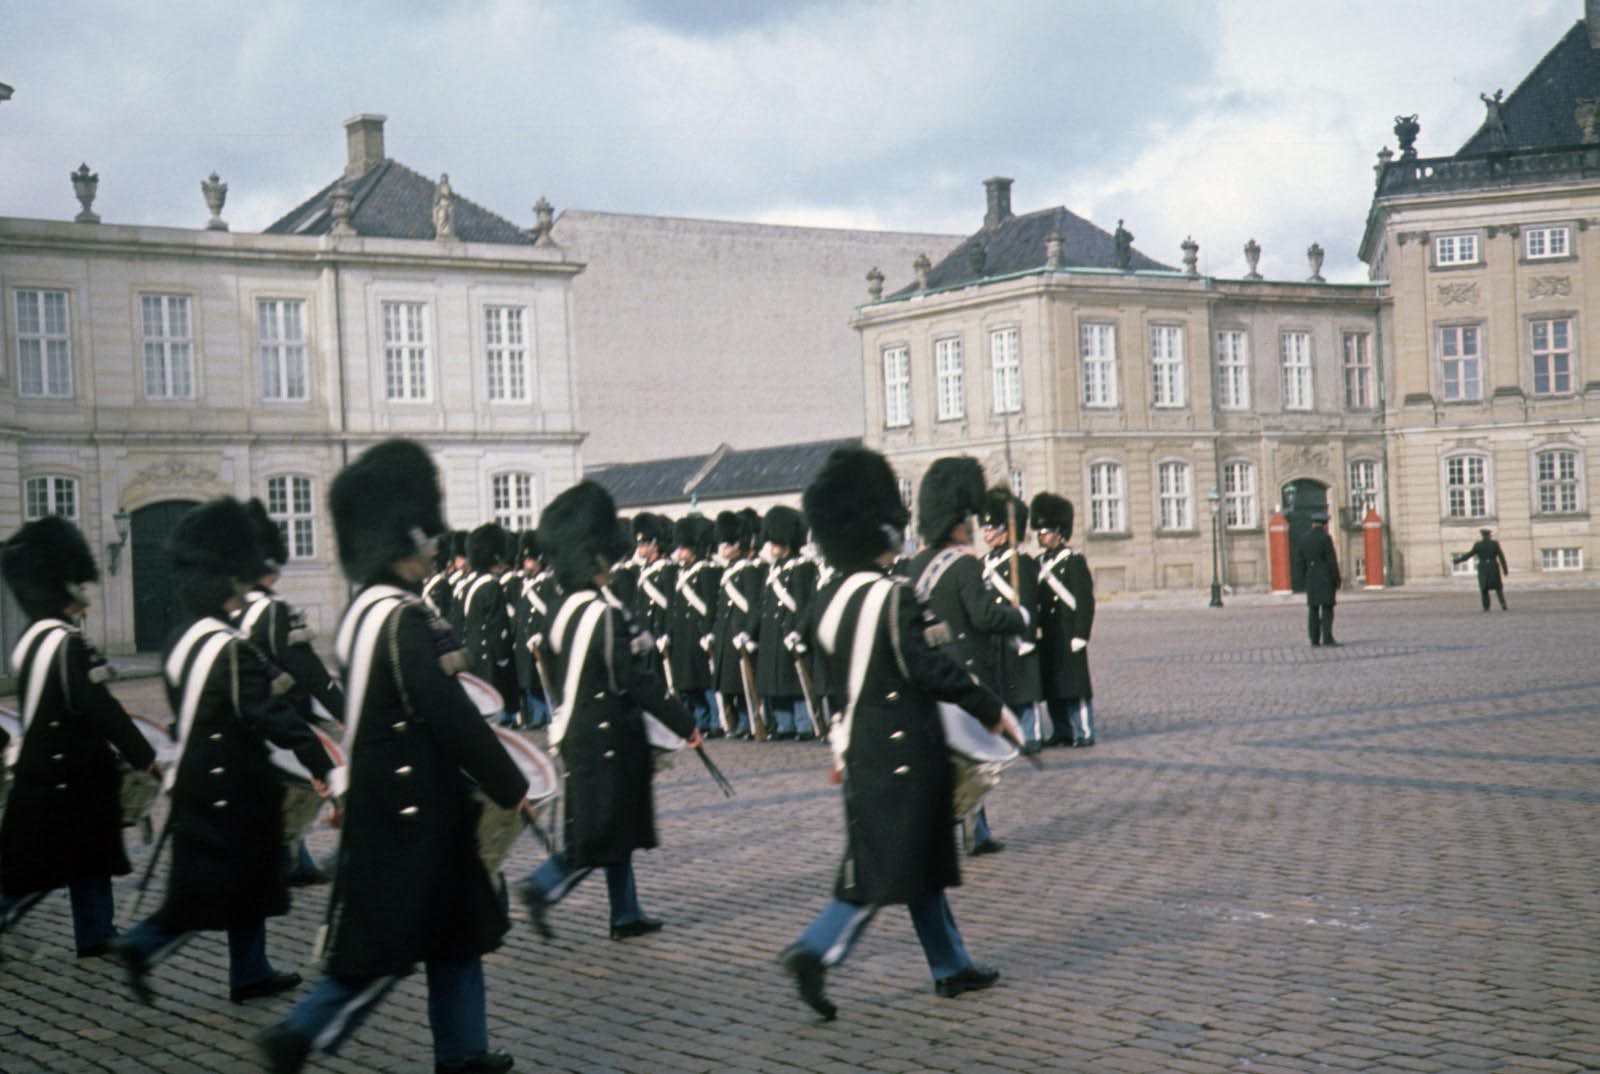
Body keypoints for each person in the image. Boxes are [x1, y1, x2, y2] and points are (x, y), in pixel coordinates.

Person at [257, 439, 529, 1074]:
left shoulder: (362, 611)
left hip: (396, 794)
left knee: (453, 930)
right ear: (404, 539)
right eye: (426, 537)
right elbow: (446, 708)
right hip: (414, 805)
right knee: (390, 943)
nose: (434, 546)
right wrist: (508, 779)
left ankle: (463, 1051)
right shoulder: (403, 617)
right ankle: (298, 1032)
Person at [779, 446, 1017, 1020]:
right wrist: (990, 709)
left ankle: (950, 965)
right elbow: (932, 669)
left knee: (920, 865)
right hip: (906, 752)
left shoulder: (825, 600)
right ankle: (815, 950)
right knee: (881, 868)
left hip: (859, 748)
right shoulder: (894, 596)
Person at [112, 497, 334, 1006]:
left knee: (237, 880)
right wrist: (322, 762)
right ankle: (144, 944)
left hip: (198, 776)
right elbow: (269, 715)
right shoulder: (229, 647)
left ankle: (250, 971)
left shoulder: (180, 639)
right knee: (219, 885)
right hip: (233, 782)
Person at [513, 483, 700, 943]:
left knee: (614, 827)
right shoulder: (605, 614)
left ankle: (626, 913)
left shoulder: (560, 610)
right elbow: (634, 679)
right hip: (609, 735)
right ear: (595, 558)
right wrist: (684, 723)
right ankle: (542, 886)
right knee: (598, 833)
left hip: (579, 730)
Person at [0, 517, 159, 958]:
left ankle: (97, 932)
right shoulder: (70, 643)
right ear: (62, 588)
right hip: (72, 771)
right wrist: (143, 754)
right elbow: (98, 705)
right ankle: (95, 930)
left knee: (81, 856)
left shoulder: (31, 639)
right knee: (45, 866)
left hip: (45, 768)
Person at [906, 458, 1029, 854]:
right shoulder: (964, 566)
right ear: (956, 524)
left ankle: (959, 831)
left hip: (928, 670)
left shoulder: (914, 565)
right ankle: (973, 832)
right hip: (965, 670)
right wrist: (1019, 617)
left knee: (942, 756)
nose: (971, 527)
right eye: (966, 521)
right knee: (975, 758)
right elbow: (983, 616)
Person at [239, 499, 345, 886]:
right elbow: (310, 672)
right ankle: (287, 860)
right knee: (297, 785)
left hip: (246, 718)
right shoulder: (274, 611)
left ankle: (297, 859)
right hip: (281, 715)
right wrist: (344, 710)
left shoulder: (229, 611)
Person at [978, 487, 1046, 752]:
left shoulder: (1021, 562)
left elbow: (1028, 602)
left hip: (1018, 636)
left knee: (1024, 690)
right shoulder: (984, 563)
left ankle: (1030, 736)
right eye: (985, 529)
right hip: (996, 636)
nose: (986, 534)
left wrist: (1027, 637)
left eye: (991, 529)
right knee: (1003, 688)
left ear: (1006, 531)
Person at [1030, 494, 1096, 747]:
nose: (1041, 536)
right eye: (1039, 532)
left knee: (1075, 686)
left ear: (1059, 532)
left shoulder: (1073, 561)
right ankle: (1062, 730)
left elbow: (1085, 601)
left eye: (1045, 531)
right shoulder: (1038, 563)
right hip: (1049, 634)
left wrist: (1081, 634)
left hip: (1068, 633)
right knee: (1053, 685)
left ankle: (1084, 730)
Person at [745, 506, 816, 740]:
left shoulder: (802, 566)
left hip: (789, 630)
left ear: (786, 543)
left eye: (775, 542)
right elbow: (762, 604)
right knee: (774, 684)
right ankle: (784, 725)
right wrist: (750, 632)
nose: (771, 546)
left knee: (794, 683)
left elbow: (806, 604)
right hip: (771, 633)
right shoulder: (773, 569)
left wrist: (799, 631)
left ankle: (803, 725)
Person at [666, 515, 720, 735]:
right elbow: (675, 607)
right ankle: (701, 721)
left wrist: (708, 632)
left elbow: (709, 604)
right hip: (683, 634)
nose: (680, 553)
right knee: (689, 684)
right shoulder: (681, 573)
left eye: (684, 548)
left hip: (698, 633)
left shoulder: (705, 571)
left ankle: (716, 721)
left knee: (705, 682)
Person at [460, 522, 518, 725]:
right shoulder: (492, 587)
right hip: (489, 661)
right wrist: (504, 659)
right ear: (495, 557)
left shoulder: (466, 586)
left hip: (470, 656)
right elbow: (497, 628)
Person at [1294, 510, 1341, 646]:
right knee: (1327, 609)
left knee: (1313, 610)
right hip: (1325, 578)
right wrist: (1337, 579)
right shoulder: (1326, 538)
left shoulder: (1304, 538)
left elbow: (1299, 562)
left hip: (1311, 577)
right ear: (1325, 524)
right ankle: (1327, 638)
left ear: (1313, 523)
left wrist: (1302, 579)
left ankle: (1314, 640)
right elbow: (1332, 561)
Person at [1454, 528, 1509, 611]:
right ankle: (1503, 604)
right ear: (1489, 535)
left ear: (1482, 536)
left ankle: (1486, 607)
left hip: (1483, 568)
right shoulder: (1495, 544)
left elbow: (1469, 555)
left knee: (1484, 588)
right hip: (1493, 566)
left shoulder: (1478, 545)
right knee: (1498, 587)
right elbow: (1501, 557)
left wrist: (1458, 560)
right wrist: (1505, 570)